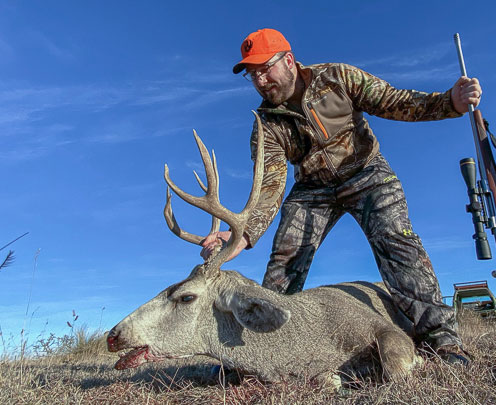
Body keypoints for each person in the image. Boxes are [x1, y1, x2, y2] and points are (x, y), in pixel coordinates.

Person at [201, 28, 481, 364]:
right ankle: (265, 354)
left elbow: (395, 101)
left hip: (367, 173)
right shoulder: (266, 125)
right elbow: (269, 188)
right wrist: (241, 237)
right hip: (312, 190)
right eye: (253, 75)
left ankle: (442, 342)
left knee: (397, 241)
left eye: (265, 69)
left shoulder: (337, 77)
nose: (260, 81)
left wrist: (449, 102)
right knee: (282, 264)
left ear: (288, 60)